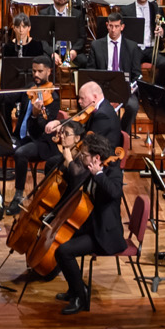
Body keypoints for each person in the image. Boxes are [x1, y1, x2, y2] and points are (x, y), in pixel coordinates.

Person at [52, 134, 126, 315]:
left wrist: (98, 174)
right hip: (92, 226)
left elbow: (115, 192)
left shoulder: (112, 171)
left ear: (96, 158)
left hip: (105, 235)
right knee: (59, 240)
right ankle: (75, 288)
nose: (81, 157)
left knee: (64, 252)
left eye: (84, 155)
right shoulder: (88, 168)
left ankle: (80, 296)